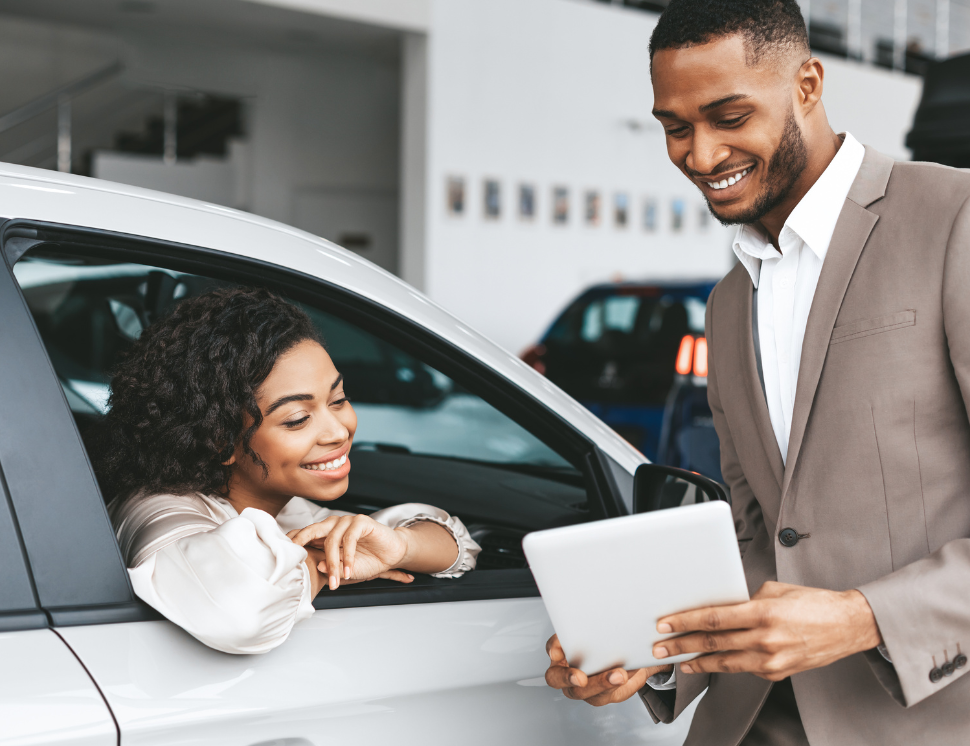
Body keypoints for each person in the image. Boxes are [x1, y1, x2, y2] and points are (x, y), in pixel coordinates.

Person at [544, 0, 970, 743]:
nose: (701, 156)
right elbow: (758, 539)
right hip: (751, 725)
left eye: (729, 117)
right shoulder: (728, 302)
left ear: (807, 84)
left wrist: (864, 618)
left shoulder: (953, 219)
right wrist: (653, 652)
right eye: (675, 128)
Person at [92, 287, 480, 654]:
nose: (338, 430)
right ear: (220, 441)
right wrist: (325, 565)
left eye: (338, 399)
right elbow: (238, 610)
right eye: (297, 419)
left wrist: (400, 548)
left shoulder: (286, 507)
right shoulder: (159, 511)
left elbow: (456, 543)